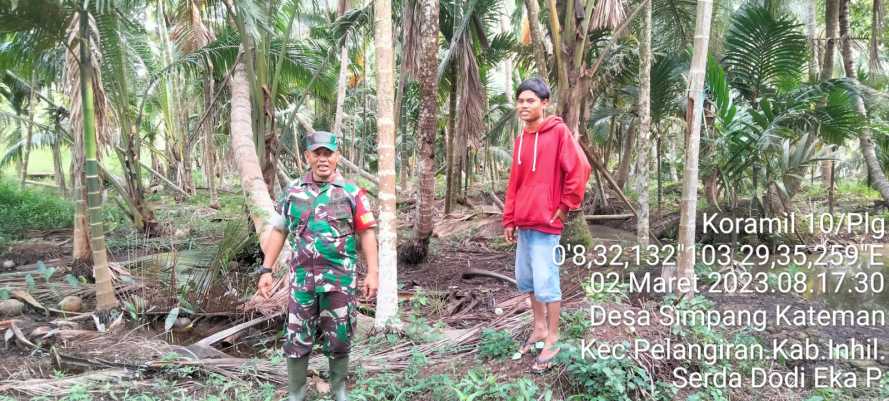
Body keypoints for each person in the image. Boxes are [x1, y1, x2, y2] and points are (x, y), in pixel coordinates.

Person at [257, 131, 379, 401]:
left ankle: (339, 391)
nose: (322, 159)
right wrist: (266, 269)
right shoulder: (293, 192)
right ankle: (296, 394)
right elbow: (278, 231)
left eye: (328, 153)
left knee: (340, 336)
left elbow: (367, 232)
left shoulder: (352, 193)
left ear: (337, 156)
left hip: (339, 281)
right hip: (302, 282)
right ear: (307, 156)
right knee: (296, 338)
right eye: (317, 153)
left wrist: (373, 273)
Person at [502, 78, 591, 373]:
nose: (524, 106)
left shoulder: (558, 133)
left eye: (530, 101)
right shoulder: (520, 141)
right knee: (527, 281)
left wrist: (565, 207)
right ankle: (539, 328)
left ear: (544, 103)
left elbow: (579, 169)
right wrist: (509, 218)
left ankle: (553, 337)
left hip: (547, 224)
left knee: (547, 283)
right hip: (524, 223)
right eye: (521, 100)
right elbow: (515, 184)